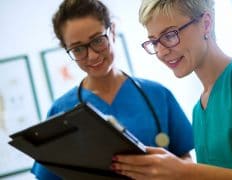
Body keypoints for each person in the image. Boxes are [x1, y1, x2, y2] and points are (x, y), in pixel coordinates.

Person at [111, 0, 232, 179]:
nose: (161, 52)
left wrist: (186, 173)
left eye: (169, 35)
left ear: (206, 24)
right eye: (154, 42)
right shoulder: (199, 110)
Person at [31, 0, 194, 179]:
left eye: (98, 40)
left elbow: (185, 161)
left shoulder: (157, 95)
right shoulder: (61, 111)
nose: (92, 55)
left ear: (113, 32)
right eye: (78, 49)